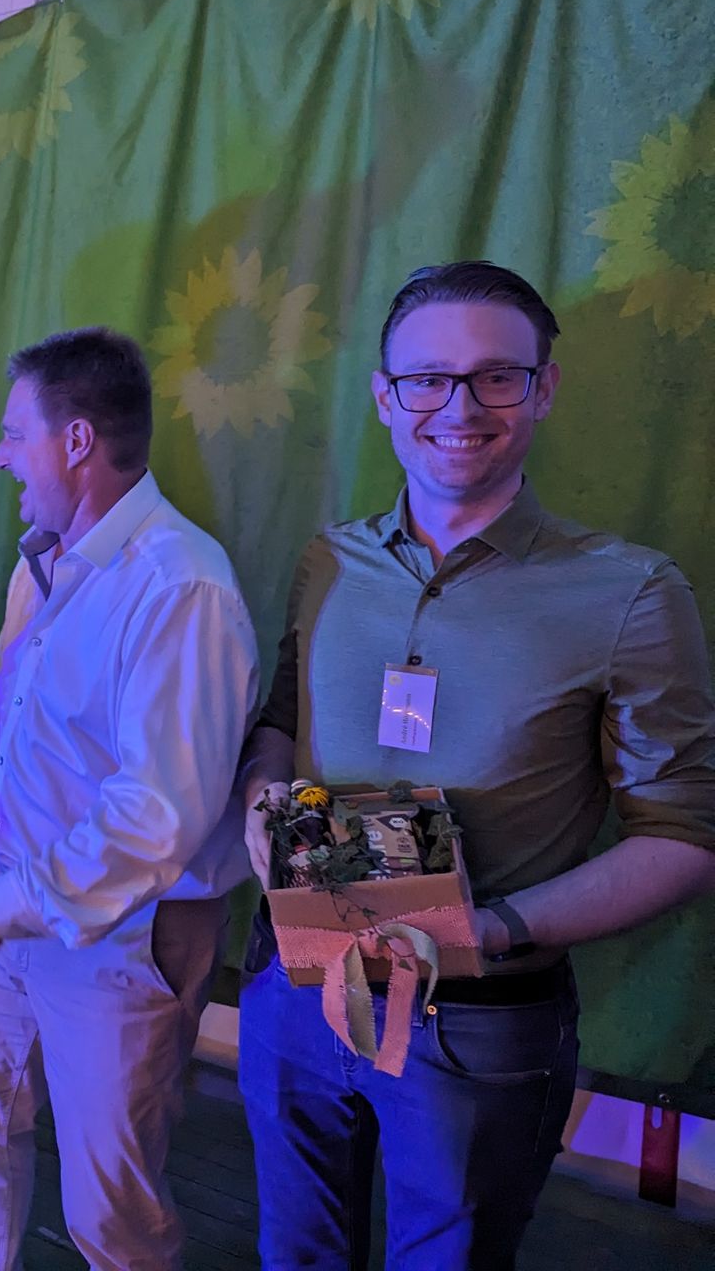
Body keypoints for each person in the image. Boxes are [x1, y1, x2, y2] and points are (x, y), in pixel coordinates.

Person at [235, 261, 715, 1269]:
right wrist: (261, 801)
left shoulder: (632, 592)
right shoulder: (330, 560)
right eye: (427, 379)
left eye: (496, 377)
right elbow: (279, 721)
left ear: (544, 389)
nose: (458, 408)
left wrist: (480, 930)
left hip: (477, 1025)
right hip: (297, 988)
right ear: (384, 396)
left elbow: (684, 839)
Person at [0, 329, 259, 1271]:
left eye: (12, 433)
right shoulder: (43, 559)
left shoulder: (182, 585)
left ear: (75, 442)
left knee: (111, 1209)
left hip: (125, 936)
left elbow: (156, 817)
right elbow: (4, 716)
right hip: (8, 904)